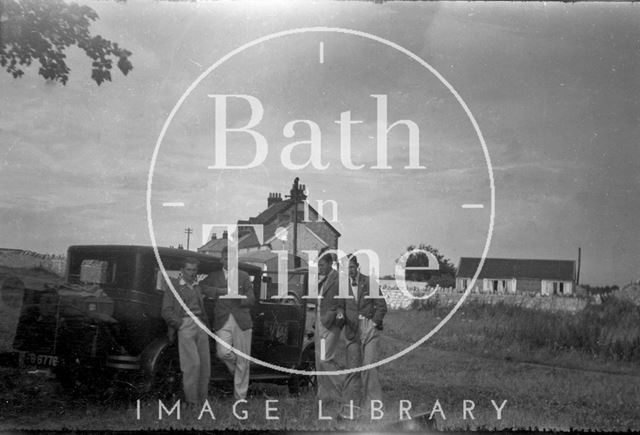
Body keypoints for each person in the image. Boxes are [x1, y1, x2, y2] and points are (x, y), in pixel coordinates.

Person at [199, 246, 255, 400]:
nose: (228, 261)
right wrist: (219, 291)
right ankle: (239, 371)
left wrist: (239, 298)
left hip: (242, 321)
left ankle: (240, 398)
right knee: (223, 353)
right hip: (222, 320)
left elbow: (251, 299)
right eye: (225, 258)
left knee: (243, 360)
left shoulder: (244, 276)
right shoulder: (214, 276)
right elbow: (202, 287)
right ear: (221, 259)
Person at [161, 257, 211, 407]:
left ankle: (202, 401)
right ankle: (191, 401)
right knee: (192, 364)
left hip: (200, 324)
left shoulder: (197, 286)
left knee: (204, 365)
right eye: (188, 269)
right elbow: (166, 311)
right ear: (182, 270)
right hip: (186, 324)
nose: (192, 273)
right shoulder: (174, 286)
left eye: (194, 270)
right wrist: (180, 324)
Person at [343, 253, 388, 415]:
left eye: (352, 267)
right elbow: (339, 308)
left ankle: (374, 406)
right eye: (346, 268)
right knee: (352, 369)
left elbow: (382, 306)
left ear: (357, 267)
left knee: (369, 367)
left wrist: (373, 324)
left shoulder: (369, 282)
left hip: (369, 327)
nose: (349, 270)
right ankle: (351, 406)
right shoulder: (342, 286)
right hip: (351, 330)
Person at [315, 250, 346, 405]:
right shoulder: (322, 279)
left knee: (326, 358)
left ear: (329, 264)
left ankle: (345, 388)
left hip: (331, 325)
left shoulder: (338, 279)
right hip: (320, 323)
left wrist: (335, 320)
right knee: (320, 362)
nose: (319, 268)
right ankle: (324, 396)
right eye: (318, 265)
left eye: (321, 265)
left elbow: (342, 304)